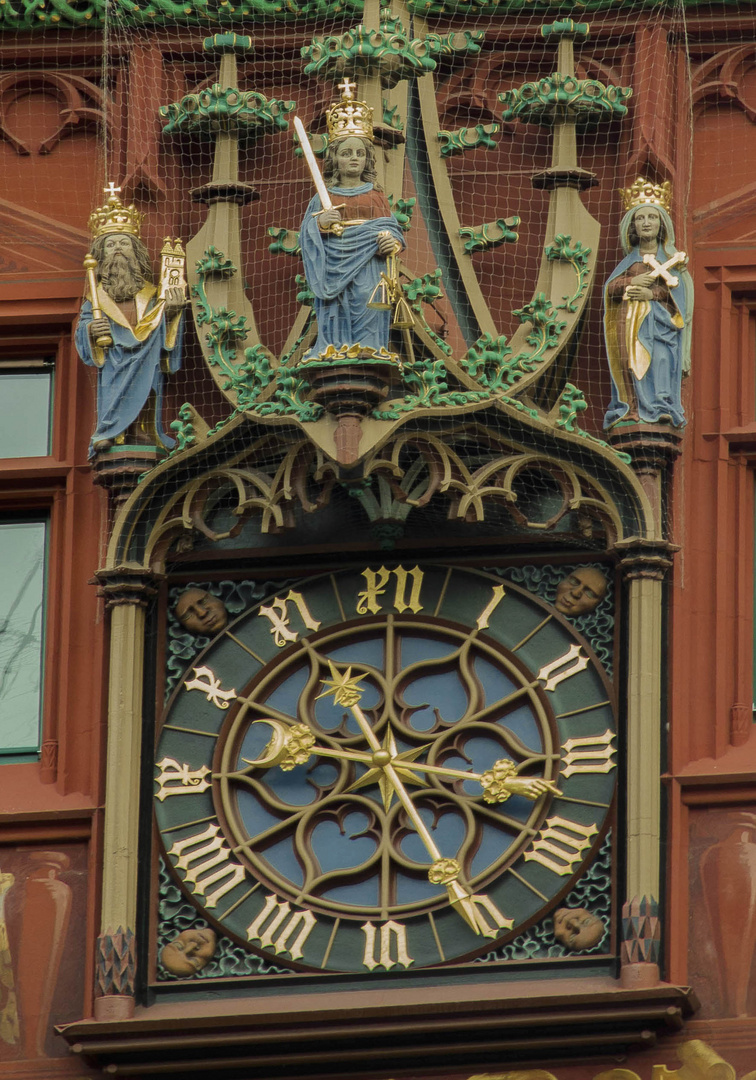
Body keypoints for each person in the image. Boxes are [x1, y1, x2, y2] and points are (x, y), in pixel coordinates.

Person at [75, 192, 186, 457]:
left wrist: (170, 313)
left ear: (136, 254)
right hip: (114, 360)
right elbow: (83, 326)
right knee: (115, 391)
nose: (118, 250)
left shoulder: (150, 293)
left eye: (124, 244)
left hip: (147, 356)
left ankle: (146, 431)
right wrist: (91, 330)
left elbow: (161, 319)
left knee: (147, 388)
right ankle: (111, 432)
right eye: (111, 245)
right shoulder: (95, 299)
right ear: (100, 257)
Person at [298, 87, 404, 360]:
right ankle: (334, 346)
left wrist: (390, 242)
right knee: (337, 306)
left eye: (359, 153)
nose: (354, 158)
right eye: (346, 153)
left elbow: (393, 231)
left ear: (368, 158)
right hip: (333, 266)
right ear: (334, 159)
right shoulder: (324, 198)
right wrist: (320, 223)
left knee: (369, 302)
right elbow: (306, 234)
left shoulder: (375, 195)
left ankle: (370, 347)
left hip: (369, 264)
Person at [603, 180, 693, 429]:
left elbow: (679, 299)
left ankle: (662, 405)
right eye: (640, 218)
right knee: (632, 364)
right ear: (632, 225)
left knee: (662, 361)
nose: (646, 223)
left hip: (663, 328)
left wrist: (651, 295)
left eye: (652, 217)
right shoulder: (630, 262)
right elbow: (610, 289)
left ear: (661, 224)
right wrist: (632, 281)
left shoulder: (673, 263)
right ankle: (634, 408)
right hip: (631, 326)